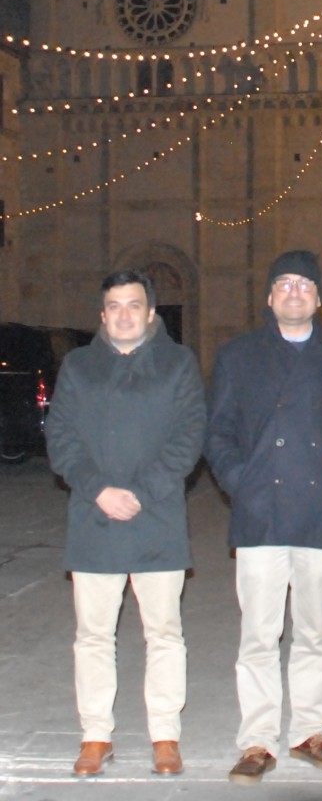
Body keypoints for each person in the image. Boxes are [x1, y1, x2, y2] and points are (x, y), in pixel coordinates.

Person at [206, 250, 322, 786]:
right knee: (258, 635)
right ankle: (256, 740)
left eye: (305, 284)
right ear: (269, 297)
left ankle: (309, 731)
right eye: (284, 284)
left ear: (319, 298)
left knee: (315, 633)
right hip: (261, 513)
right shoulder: (239, 356)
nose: (295, 292)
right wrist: (239, 482)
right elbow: (218, 432)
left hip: (321, 513)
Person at [46, 269, 206, 778]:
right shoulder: (78, 366)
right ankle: (96, 735)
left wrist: (141, 492)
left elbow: (189, 436)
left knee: (164, 633)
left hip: (155, 516)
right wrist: (99, 489)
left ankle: (165, 735)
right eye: (114, 306)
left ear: (151, 312)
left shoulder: (178, 364)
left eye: (133, 305)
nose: (123, 314)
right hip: (95, 518)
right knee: (93, 635)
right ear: (102, 314)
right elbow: (62, 437)